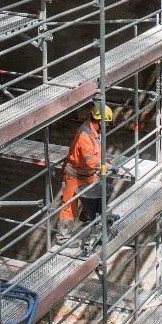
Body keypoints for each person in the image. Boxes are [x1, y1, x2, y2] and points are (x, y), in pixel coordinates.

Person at [56, 104, 113, 246]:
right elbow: (92, 161)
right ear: (99, 121)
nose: (106, 126)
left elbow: (97, 153)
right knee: (69, 206)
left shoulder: (94, 132)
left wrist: (104, 161)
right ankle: (63, 238)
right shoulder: (85, 135)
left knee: (92, 198)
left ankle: (87, 214)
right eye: (105, 123)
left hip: (88, 174)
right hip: (75, 176)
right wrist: (109, 166)